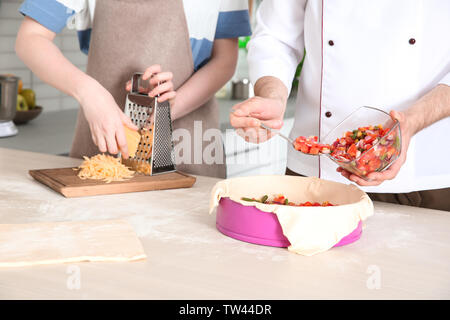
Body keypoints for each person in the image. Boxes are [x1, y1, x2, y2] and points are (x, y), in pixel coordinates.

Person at [230, 0, 450, 211]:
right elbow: (275, 36)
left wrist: (412, 121)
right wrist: (272, 96)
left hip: (425, 173)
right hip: (317, 174)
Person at [15, 0, 252, 178]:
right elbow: (30, 38)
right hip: (104, 144)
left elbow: (225, 60)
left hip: (192, 145)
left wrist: (173, 107)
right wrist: (90, 93)